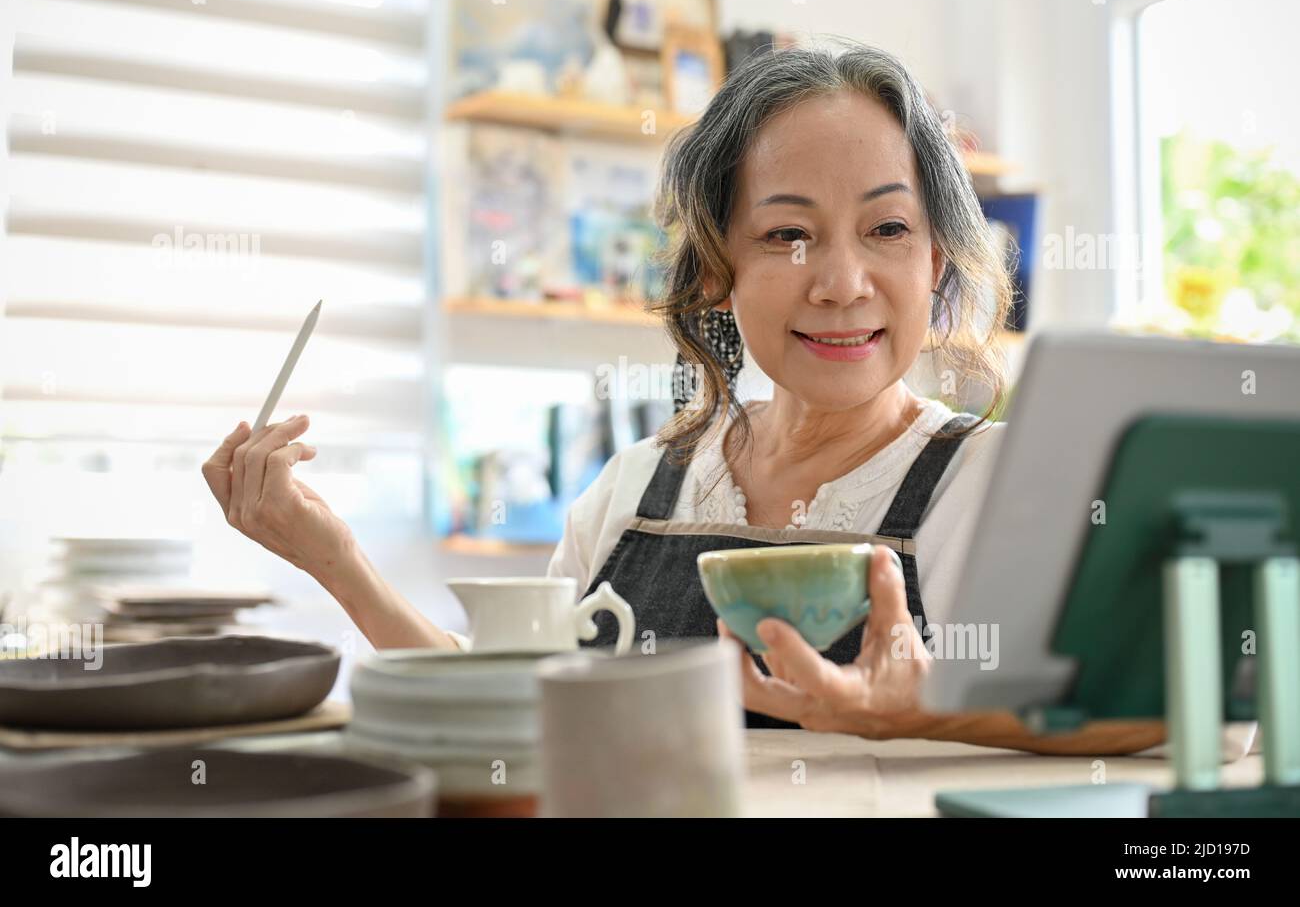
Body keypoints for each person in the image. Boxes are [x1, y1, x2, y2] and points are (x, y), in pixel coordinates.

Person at [202, 42, 1165, 754]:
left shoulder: (995, 488)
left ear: (936, 258)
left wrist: (922, 708)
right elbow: (518, 709)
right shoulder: (636, 489)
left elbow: (1169, 715)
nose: (841, 281)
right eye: (789, 235)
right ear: (716, 271)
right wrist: (336, 561)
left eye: (887, 228)